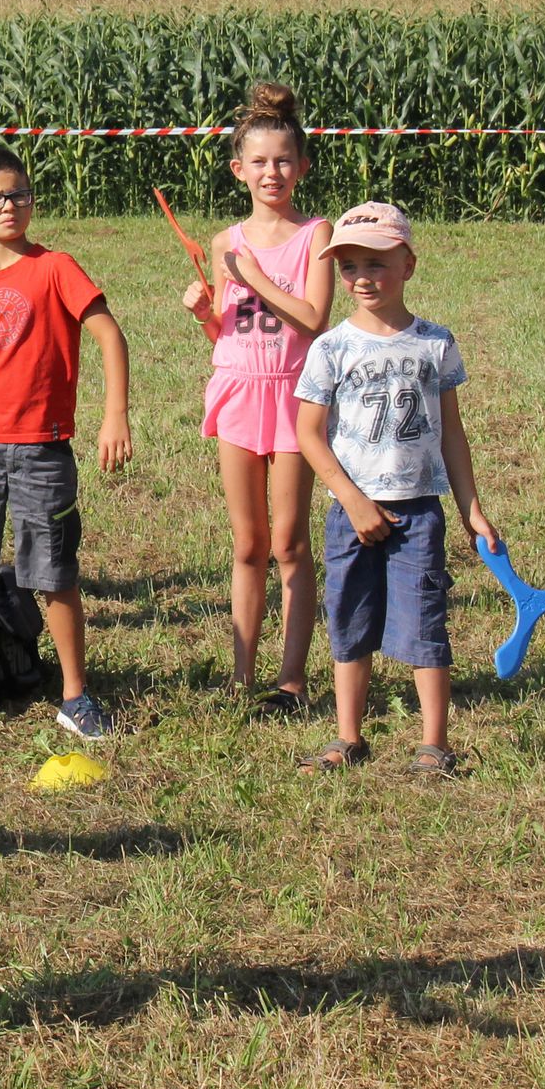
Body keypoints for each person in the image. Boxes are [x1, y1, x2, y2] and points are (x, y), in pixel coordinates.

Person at [0, 146, 133, 742]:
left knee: (54, 574)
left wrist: (115, 415)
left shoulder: (56, 268)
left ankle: (76, 696)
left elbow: (109, 336)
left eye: (19, 194)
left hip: (43, 450)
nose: (9, 206)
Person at [292, 203, 499, 777]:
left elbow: (451, 432)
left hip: (418, 513)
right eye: (349, 266)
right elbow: (308, 434)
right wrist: (353, 501)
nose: (362, 278)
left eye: (377, 264)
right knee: (350, 622)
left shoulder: (436, 343)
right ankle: (347, 737)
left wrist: (472, 510)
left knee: (425, 622)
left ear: (408, 265)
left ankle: (434, 744)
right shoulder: (331, 348)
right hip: (351, 515)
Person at [181, 82, 334, 713]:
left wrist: (255, 276)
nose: (272, 173)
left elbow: (314, 319)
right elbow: (229, 326)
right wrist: (204, 313)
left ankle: (291, 682)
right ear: (238, 170)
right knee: (247, 545)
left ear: (302, 167)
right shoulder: (225, 242)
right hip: (239, 390)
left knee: (289, 544)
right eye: (260, 162)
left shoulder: (316, 235)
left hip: (295, 394)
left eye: (284, 161)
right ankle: (241, 680)